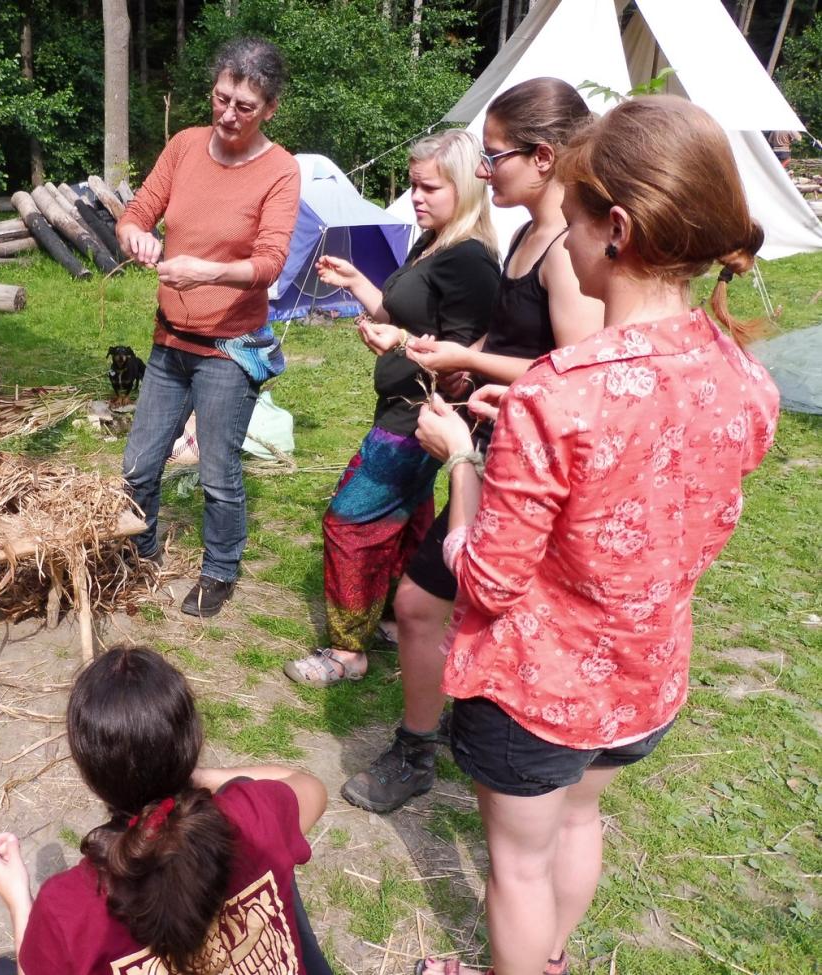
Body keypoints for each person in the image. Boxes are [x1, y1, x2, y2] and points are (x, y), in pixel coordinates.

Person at [410, 95, 779, 975]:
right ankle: (547, 960)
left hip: (537, 692)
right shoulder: (743, 375)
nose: (563, 241)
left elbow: (486, 580)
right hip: (646, 679)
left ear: (616, 230)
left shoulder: (559, 394)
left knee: (518, 867)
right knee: (580, 820)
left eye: (571, 220)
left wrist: (462, 460)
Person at [339, 78, 604, 816]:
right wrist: (451, 358)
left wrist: (470, 361)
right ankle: (440, 736)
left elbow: (578, 373)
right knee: (431, 602)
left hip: (528, 466)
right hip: (493, 445)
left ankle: (426, 749)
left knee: (425, 603)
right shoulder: (526, 237)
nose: (485, 172)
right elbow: (514, 335)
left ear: (543, 157)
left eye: (494, 157)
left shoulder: (566, 250)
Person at [281, 129, 500, 688]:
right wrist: (358, 283)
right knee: (406, 516)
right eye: (413, 185)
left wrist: (400, 344)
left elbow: (462, 365)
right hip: (403, 405)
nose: (416, 197)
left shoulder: (470, 262)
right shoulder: (435, 242)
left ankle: (346, 651)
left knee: (349, 521)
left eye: (429, 188)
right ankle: (397, 617)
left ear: (465, 187)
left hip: (422, 414)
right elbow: (406, 316)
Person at [0, 646, 330, 975]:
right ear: (193, 741)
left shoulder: (67, 907)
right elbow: (309, 785)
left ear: (88, 770)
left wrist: (18, 901)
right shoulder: (255, 815)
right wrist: (196, 776)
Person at [116, 36, 300, 619]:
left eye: (245, 106)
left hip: (229, 348)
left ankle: (219, 569)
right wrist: (135, 235)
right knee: (139, 465)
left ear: (269, 109)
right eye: (222, 98)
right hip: (170, 340)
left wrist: (207, 272)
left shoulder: (280, 170)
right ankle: (140, 553)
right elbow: (137, 212)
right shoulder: (185, 146)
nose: (228, 114)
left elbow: (270, 263)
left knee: (217, 474)